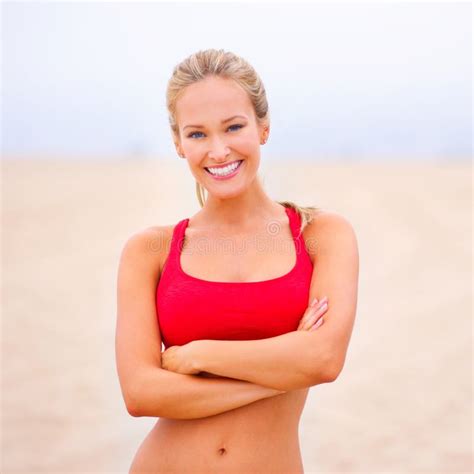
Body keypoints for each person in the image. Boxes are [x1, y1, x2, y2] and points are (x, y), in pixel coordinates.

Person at [115, 48, 359, 473]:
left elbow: (323, 360)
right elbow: (140, 394)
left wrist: (200, 355)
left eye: (233, 127)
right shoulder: (149, 251)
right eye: (197, 134)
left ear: (262, 128)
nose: (219, 150)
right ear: (177, 143)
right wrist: (280, 374)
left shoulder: (320, 235)